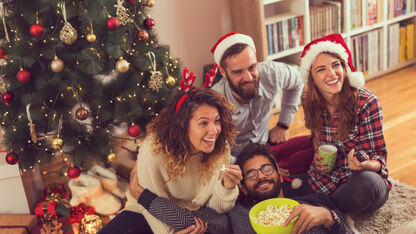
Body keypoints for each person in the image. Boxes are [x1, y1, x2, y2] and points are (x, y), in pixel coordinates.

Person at [99, 82, 243, 233]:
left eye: (217, 120)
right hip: (147, 211)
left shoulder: (221, 147)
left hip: (197, 214)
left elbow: (216, 208)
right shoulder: (154, 151)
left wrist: (227, 187)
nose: (214, 131)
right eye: (203, 123)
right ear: (182, 125)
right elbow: (150, 205)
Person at [129, 143, 353, 234]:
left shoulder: (313, 201)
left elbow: (346, 230)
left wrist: (328, 217)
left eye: (266, 169)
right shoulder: (238, 216)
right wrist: (144, 197)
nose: (262, 177)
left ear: (278, 172)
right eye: (251, 175)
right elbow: (189, 220)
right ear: (243, 187)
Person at [286, 33, 390, 214]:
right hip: (327, 178)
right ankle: (323, 208)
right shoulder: (308, 100)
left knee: (368, 183)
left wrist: (364, 165)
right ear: (311, 77)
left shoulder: (367, 103)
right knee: (282, 188)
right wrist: (318, 154)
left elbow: (379, 159)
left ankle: (323, 212)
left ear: (345, 68)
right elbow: (316, 137)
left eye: (336, 65)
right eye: (321, 69)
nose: (332, 73)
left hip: (359, 180)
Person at [210, 32, 311, 174]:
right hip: (235, 162)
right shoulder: (214, 101)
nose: (248, 77)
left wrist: (283, 124)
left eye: (252, 67)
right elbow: (214, 151)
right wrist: (254, 170)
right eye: (238, 72)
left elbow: (298, 80)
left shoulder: (272, 72)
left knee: (313, 146)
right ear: (223, 72)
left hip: (266, 146)